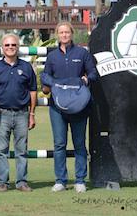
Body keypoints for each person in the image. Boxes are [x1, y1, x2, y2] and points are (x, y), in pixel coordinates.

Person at [41, 21, 97, 193]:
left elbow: (94, 73)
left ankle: (80, 180)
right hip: (57, 107)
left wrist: (85, 80)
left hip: (79, 105)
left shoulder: (82, 53)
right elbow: (45, 76)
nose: (64, 35)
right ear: (57, 35)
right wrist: (54, 84)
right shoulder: (52, 56)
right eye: (61, 32)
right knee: (59, 144)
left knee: (79, 143)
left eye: (67, 32)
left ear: (71, 34)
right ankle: (60, 180)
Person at [0, 33, 37, 192]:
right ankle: (3, 182)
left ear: (18, 47)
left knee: (22, 151)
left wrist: (32, 114)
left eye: (13, 45)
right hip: (1, 114)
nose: (10, 47)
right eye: (7, 45)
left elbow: (33, 91)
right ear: (2, 48)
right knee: (1, 151)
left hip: (22, 114)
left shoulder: (26, 67)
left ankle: (21, 182)